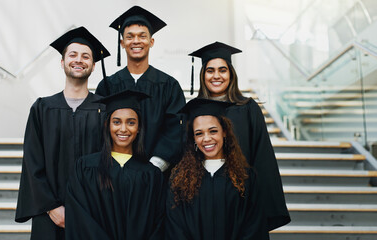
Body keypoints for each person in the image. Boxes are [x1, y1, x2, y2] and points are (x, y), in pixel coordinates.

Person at [15, 26, 110, 240]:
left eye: (86, 56)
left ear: (93, 66)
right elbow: (33, 162)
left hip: (93, 213)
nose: (79, 60)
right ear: (62, 62)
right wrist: (51, 207)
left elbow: (108, 162)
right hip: (49, 215)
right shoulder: (42, 108)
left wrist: (89, 207)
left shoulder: (104, 110)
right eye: (73, 55)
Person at [189, 42, 290, 230]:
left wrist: (261, 206)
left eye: (222, 70)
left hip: (242, 198)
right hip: (202, 197)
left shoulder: (248, 108)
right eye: (210, 71)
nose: (216, 76)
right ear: (203, 75)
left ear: (231, 74)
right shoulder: (193, 112)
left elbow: (262, 156)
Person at [95, 6, 186, 172]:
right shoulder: (107, 86)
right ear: (122, 43)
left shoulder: (169, 86)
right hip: (114, 173)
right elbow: (100, 129)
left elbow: (175, 130)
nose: (136, 41)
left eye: (142, 36)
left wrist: (155, 167)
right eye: (130, 37)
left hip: (158, 176)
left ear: (151, 42)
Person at [65, 90, 165, 240]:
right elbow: (80, 218)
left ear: (138, 128)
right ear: (107, 125)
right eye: (116, 122)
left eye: (131, 122)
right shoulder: (86, 168)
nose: (123, 129)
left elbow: (159, 224)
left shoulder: (151, 175)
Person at [166, 98, 269, 240]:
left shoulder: (245, 177)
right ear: (193, 139)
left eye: (213, 131)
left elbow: (254, 226)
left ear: (224, 132)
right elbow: (175, 227)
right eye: (199, 133)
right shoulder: (180, 179)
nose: (206, 138)